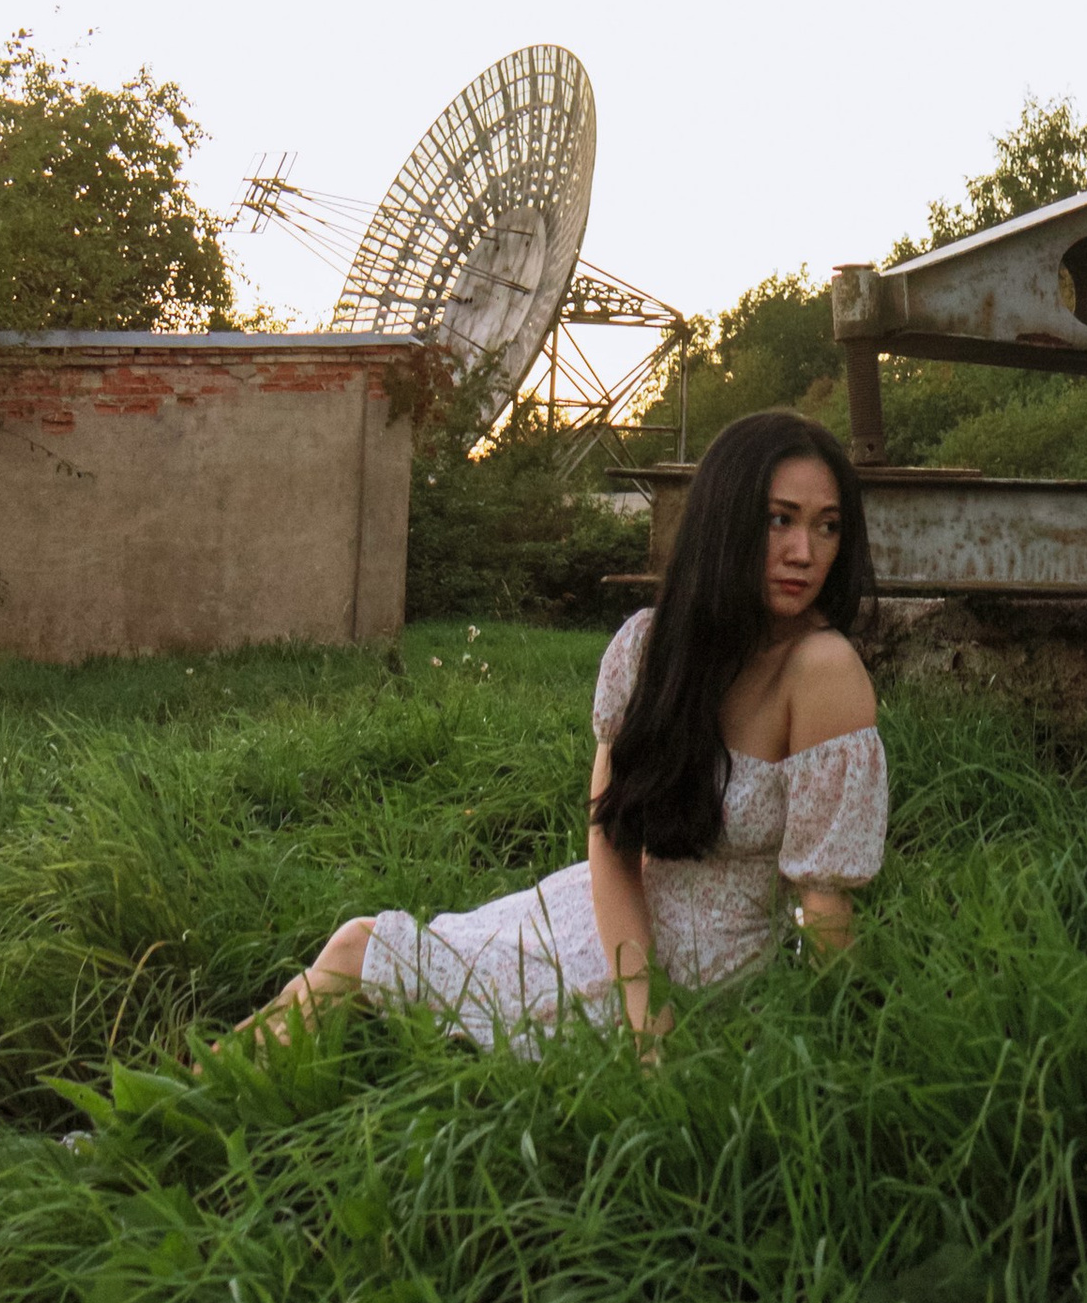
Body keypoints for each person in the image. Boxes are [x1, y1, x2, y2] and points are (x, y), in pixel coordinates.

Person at [233, 410, 886, 1056]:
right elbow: (611, 841)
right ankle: (194, 1094)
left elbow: (824, 899)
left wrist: (832, 1055)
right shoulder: (651, 647)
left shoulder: (822, 671)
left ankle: (187, 1105)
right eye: (780, 520)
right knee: (357, 944)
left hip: (713, 965)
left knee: (359, 957)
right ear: (725, 520)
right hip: (610, 922)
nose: (804, 552)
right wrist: (642, 1007)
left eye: (826, 527)